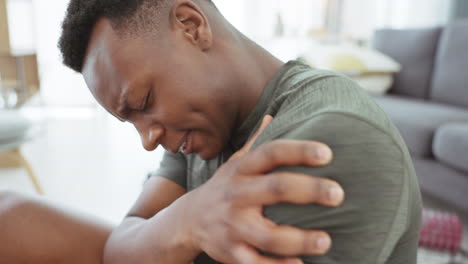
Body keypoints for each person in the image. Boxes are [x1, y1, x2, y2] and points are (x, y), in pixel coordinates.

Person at [0, 0, 422, 263]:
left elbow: (132, 245)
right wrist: (186, 218)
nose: (148, 139)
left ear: (191, 25)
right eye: (132, 123)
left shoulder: (328, 136)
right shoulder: (199, 131)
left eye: (144, 103)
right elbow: (122, 243)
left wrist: (166, 233)